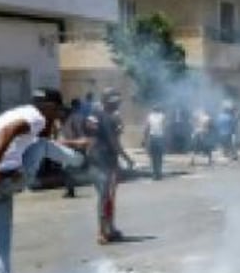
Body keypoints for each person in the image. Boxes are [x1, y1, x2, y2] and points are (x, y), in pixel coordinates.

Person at [0, 88, 85, 273]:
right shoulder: (35, 117)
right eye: (57, 111)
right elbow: (7, 132)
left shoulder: (22, 113)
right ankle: (82, 162)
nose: (56, 117)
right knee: (43, 147)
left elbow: (20, 135)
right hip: (5, 178)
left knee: (0, 243)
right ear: (49, 107)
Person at [85, 88, 135, 244]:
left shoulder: (94, 115)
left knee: (108, 197)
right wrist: (126, 158)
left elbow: (90, 137)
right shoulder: (107, 117)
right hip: (105, 161)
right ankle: (102, 232)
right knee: (105, 197)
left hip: (95, 159)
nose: (118, 104)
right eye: (116, 102)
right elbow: (114, 142)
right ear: (108, 102)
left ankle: (110, 229)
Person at [60, 99, 87, 198]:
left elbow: (79, 134)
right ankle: (70, 190)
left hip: (73, 147)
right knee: (67, 169)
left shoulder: (73, 118)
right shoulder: (70, 119)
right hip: (70, 147)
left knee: (68, 169)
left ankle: (70, 190)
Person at [144, 104, 167, 180]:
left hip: (153, 137)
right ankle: (158, 173)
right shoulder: (162, 116)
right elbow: (164, 128)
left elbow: (147, 127)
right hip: (159, 137)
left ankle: (155, 173)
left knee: (153, 157)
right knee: (159, 156)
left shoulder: (150, 116)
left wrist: (145, 137)